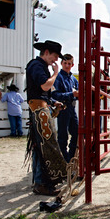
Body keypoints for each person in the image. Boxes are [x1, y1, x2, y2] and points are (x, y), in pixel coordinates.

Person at [25, 40, 68, 196]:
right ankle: (42, 183)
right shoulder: (37, 66)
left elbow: (42, 92)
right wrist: (55, 74)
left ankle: (39, 182)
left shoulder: (38, 66)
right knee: (46, 147)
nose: (55, 60)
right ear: (47, 52)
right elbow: (44, 86)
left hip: (40, 107)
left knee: (40, 147)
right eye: (55, 56)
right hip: (39, 110)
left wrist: (53, 102)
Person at [51, 54, 79, 162]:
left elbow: (78, 92)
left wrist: (77, 95)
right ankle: (64, 159)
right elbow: (54, 95)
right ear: (61, 63)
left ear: (72, 65)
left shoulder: (73, 79)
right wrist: (72, 95)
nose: (67, 65)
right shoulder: (58, 77)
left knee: (76, 133)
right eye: (65, 63)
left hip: (71, 108)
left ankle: (70, 157)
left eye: (69, 63)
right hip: (62, 108)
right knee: (63, 136)